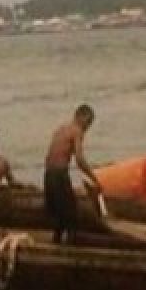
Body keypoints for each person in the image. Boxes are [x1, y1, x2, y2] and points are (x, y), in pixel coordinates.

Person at [43, 104, 101, 243]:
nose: (88, 127)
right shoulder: (77, 131)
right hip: (59, 175)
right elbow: (80, 160)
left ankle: (56, 242)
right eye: (88, 122)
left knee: (58, 215)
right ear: (81, 117)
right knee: (71, 214)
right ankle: (71, 247)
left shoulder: (61, 129)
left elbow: (50, 155)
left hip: (48, 175)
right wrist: (95, 178)